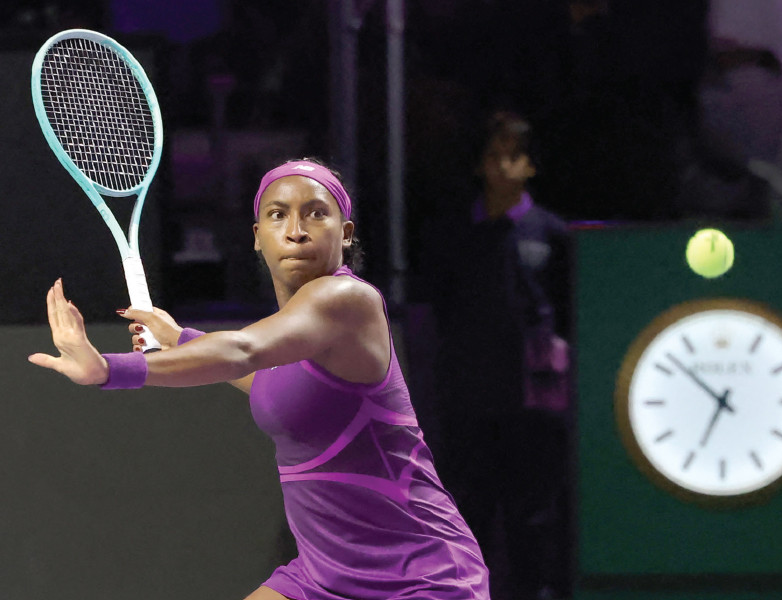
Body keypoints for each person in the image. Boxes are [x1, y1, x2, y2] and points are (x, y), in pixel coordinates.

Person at [28, 158, 491, 600]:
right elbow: (266, 381)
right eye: (277, 215)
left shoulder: (347, 300)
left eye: (316, 214)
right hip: (322, 577)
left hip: (420, 577)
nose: (295, 231)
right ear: (256, 237)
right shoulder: (297, 340)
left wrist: (109, 369)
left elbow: (242, 350)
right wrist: (182, 340)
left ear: (345, 234)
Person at [428, 112, 571, 600]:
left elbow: (568, 311)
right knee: (471, 510)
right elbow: (440, 309)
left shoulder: (552, 233)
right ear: (479, 165)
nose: (503, 166)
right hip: (470, 396)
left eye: (514, 156)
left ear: (531, 166)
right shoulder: (453, 235)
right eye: (494, 155)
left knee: (533, 514)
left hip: (535, 401)